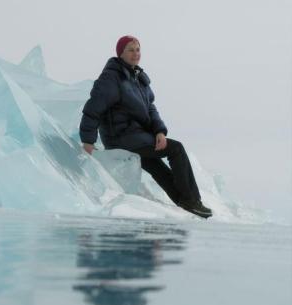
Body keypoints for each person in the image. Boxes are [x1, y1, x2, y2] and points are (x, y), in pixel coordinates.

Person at [79, 35, 212, 219]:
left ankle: (185, 203)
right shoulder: (112, 78)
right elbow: (94, 107)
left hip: (137, 135)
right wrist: (88, 140)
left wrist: (159, 131)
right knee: (176, 149)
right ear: (120, 54)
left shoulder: (139, 79)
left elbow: (151, 108)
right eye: (130, 50)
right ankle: (192, 200)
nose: (136, 54)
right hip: (121, 137)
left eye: (138, 49)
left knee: (156, 165)